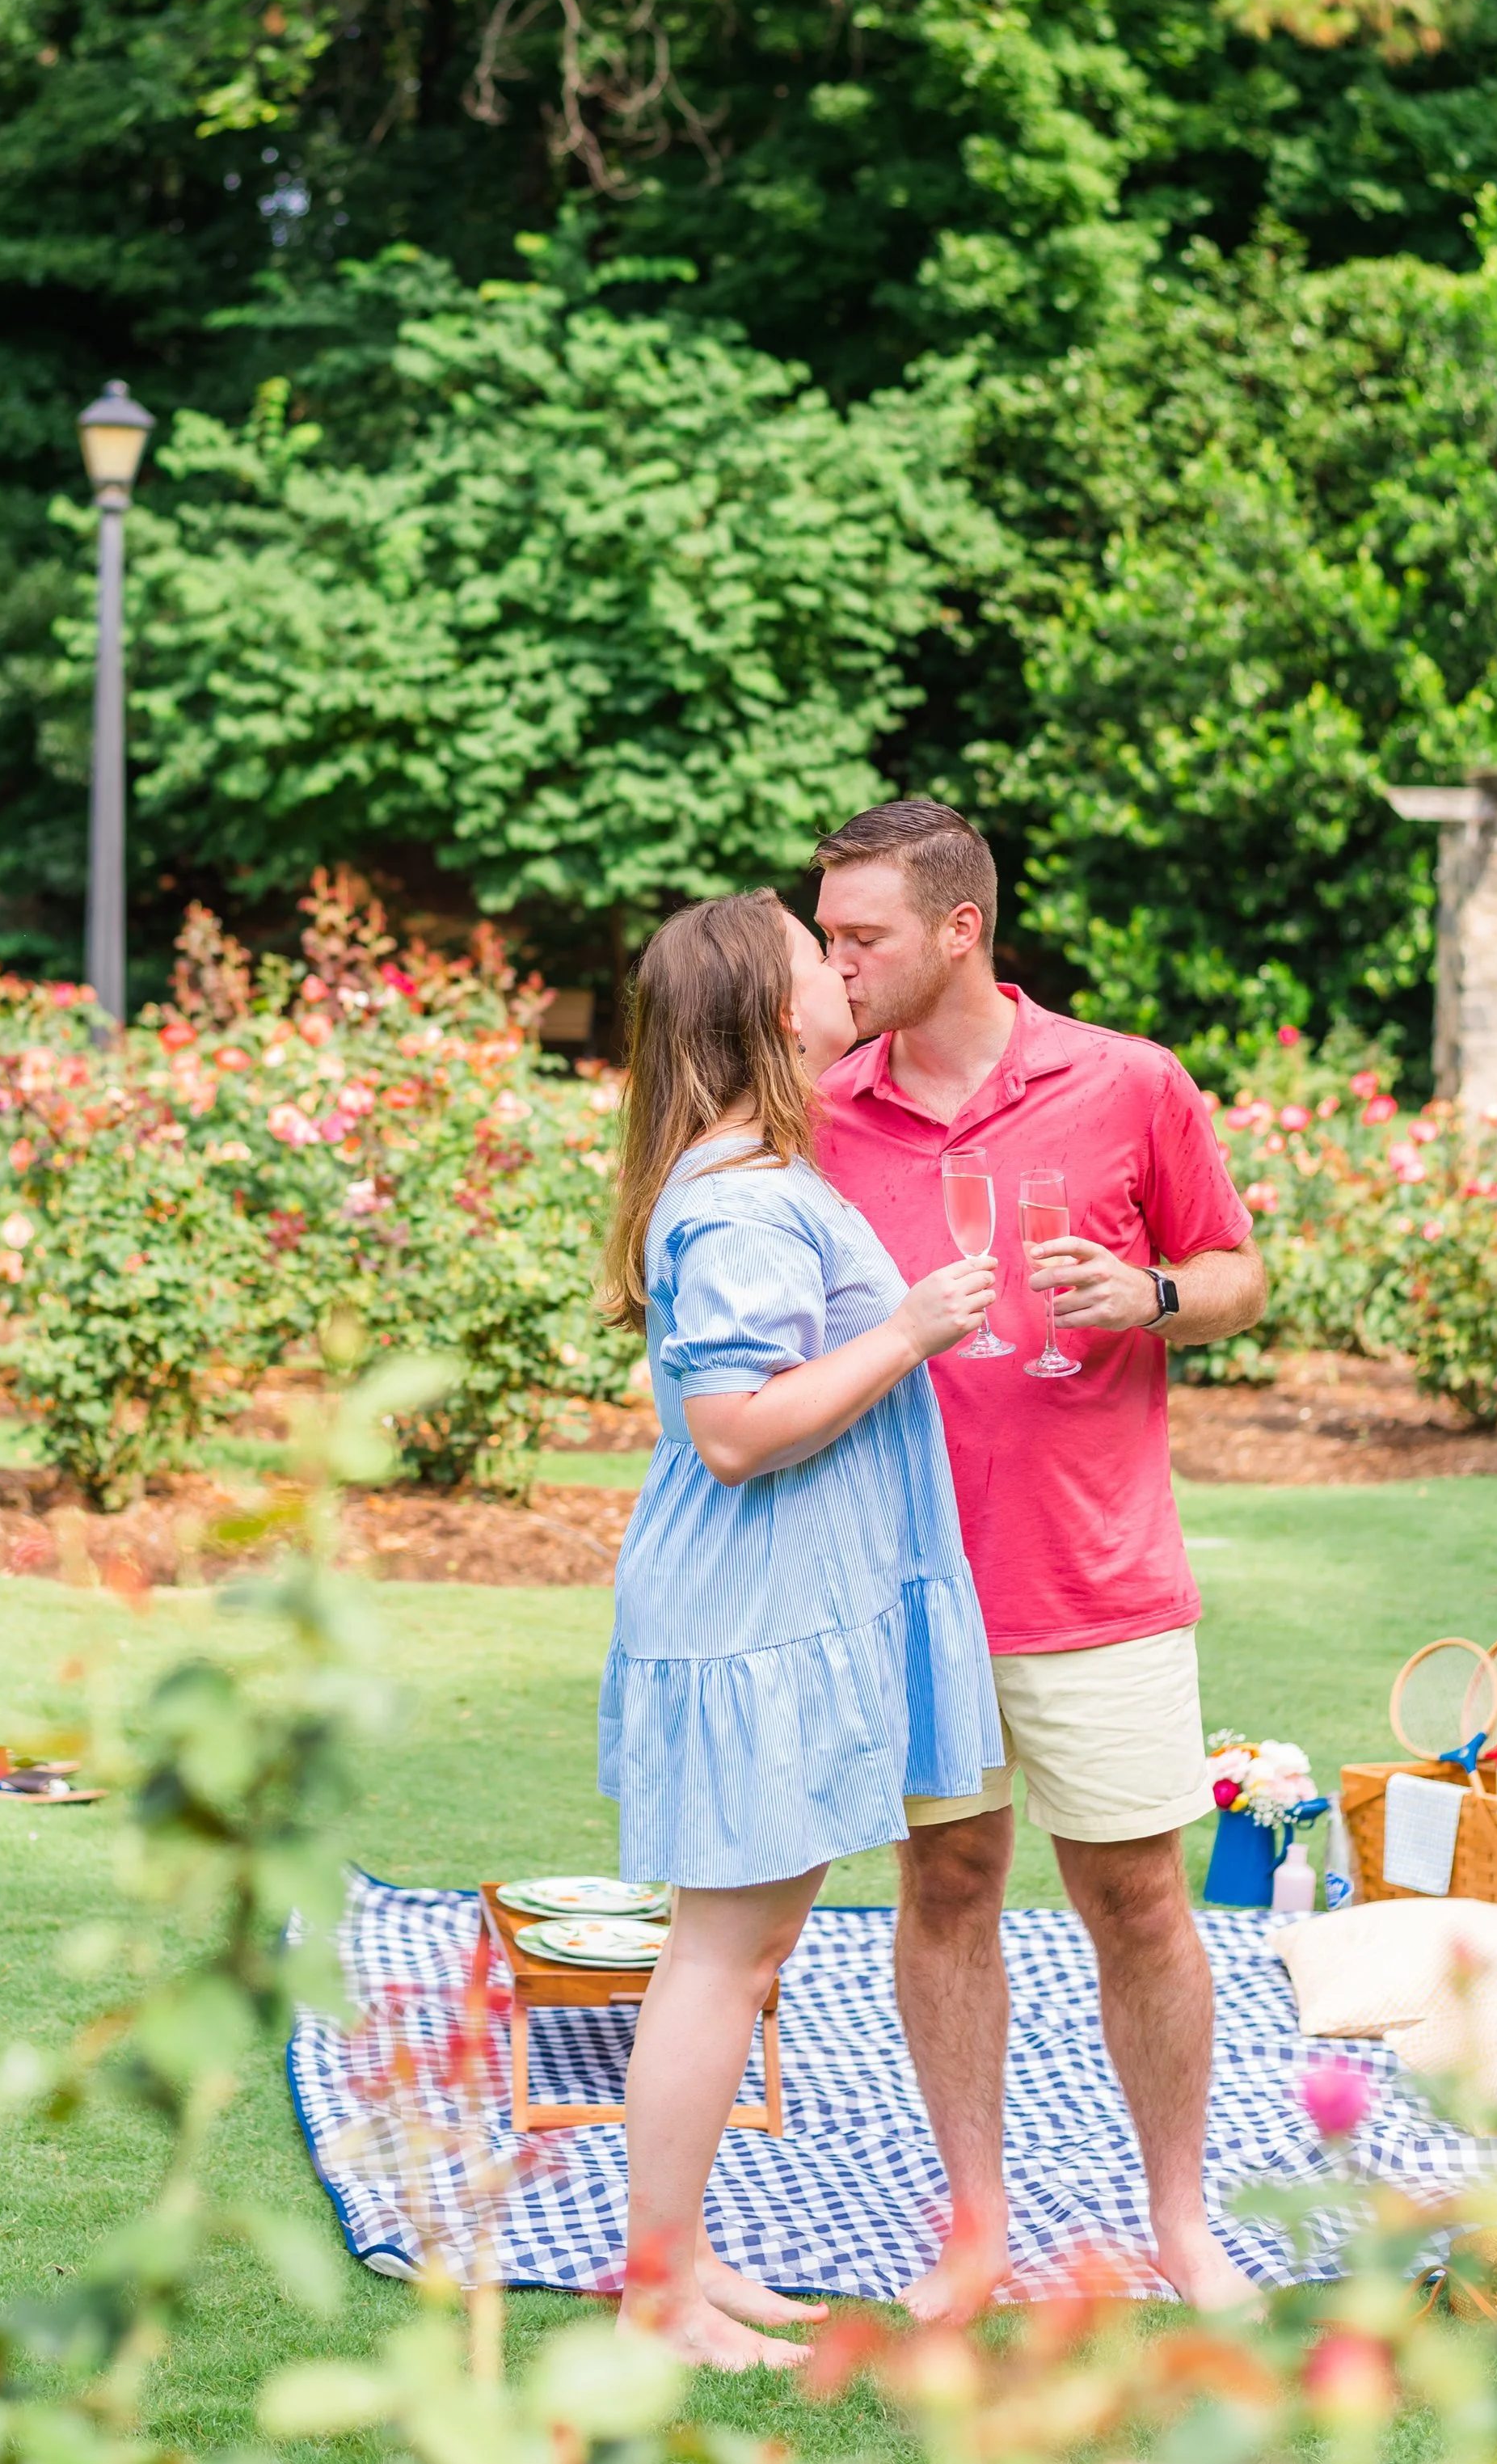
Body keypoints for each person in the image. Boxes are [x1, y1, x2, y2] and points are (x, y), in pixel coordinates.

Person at [811, 800, 1269, 2321]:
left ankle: (1183, 2218)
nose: (837, 960)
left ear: (961, 931)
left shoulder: (1129, 1082)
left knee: (1140, 1896)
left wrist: (1144, 1295)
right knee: (948, 1879)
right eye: (828, 933)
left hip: (1097, 1574)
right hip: (908, 1586)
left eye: (861, 933)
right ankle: (975, 2224)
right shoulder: (824, 1104)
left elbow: (1236, 1275)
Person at [597, 888, 1005, 2369]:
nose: (842, 971)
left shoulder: (760, 1172)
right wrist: (909, 1331)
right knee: (720, 1955)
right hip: (745, 1616)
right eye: (813, 958)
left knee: (748, 1950)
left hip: (783, 1610)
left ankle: (684, 2258)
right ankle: (654, 2295)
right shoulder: (743, 1199)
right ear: (776, 1014)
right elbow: (732, 1432)